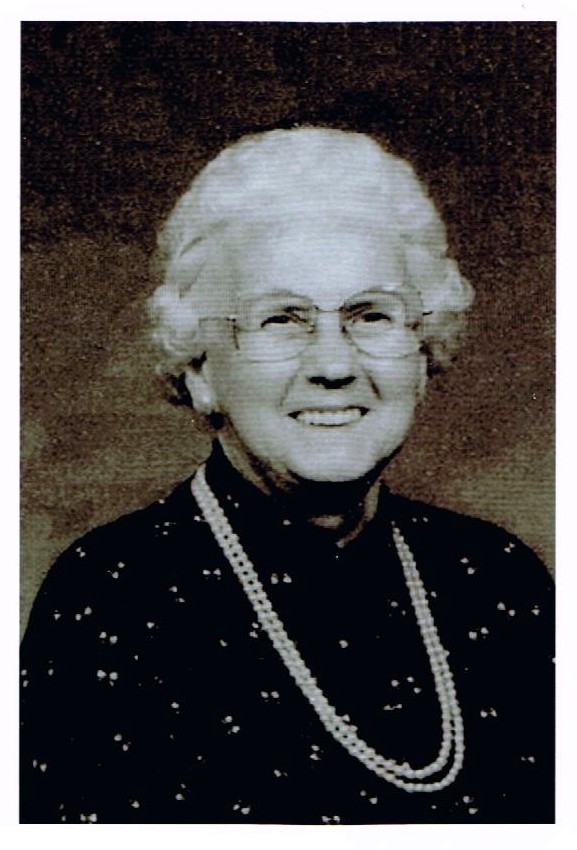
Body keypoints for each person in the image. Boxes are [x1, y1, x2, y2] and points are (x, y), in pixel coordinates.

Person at [20, 128, 554, 824]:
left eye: (371, 315)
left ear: (424, 356)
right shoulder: (110, 601)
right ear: (200, 367)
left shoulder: (499, 580)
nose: (333, 364)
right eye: (280, 320)